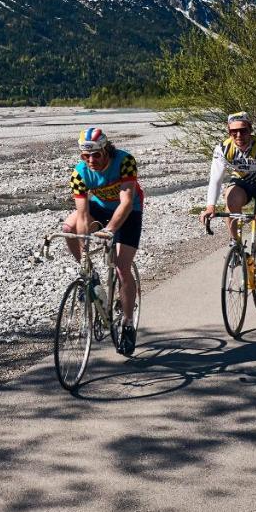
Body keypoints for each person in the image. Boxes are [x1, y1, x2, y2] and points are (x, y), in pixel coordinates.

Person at [62, 126, 143, 355]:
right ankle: (89, 273)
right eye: (85, 155)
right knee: (69, 228)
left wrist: (110, 230)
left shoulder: (124, 161)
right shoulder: (79, 173)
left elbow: (126, 201)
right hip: (99, 208)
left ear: (106, 150)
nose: (91, 160)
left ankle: (127, 323)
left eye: (96, 154)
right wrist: (85, 250)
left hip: (129, 211)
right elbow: (83, 214)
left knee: (121, 267)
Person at [199, 111, 256, 308]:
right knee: (231, 197)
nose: (238, 135)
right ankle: (234, 242)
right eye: (233, 131)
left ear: (250, 130)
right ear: (228, 132)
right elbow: (216, 179)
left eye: (243, 131)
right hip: (242, 183)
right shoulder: (223, 148)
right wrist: (210, 206)